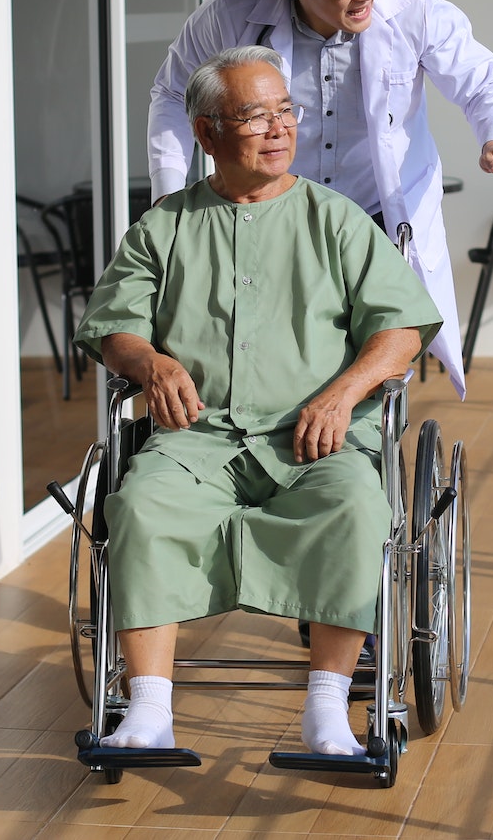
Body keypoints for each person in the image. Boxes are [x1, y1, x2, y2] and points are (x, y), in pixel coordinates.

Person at [75, 47, 442, 757]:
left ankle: (327, 711)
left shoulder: (333, 219)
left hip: (317, 438)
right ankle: (149, 712)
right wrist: (148, 360)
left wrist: (344, 392)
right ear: (208, 134)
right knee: (139, 505)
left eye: (286, 111)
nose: (279, 128)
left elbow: (400, 330)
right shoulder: (165, 226)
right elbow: (113, 325)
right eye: (254, 115)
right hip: (195, 438)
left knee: (358, 507)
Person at [148, 0, 493, 392]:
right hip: (275, 215)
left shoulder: (413, 4)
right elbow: (174, 93)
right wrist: (168, 194)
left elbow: (483, 82)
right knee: (280, 352)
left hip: (377, 216)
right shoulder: (232, 10)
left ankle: (366, 460)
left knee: (378, 361)